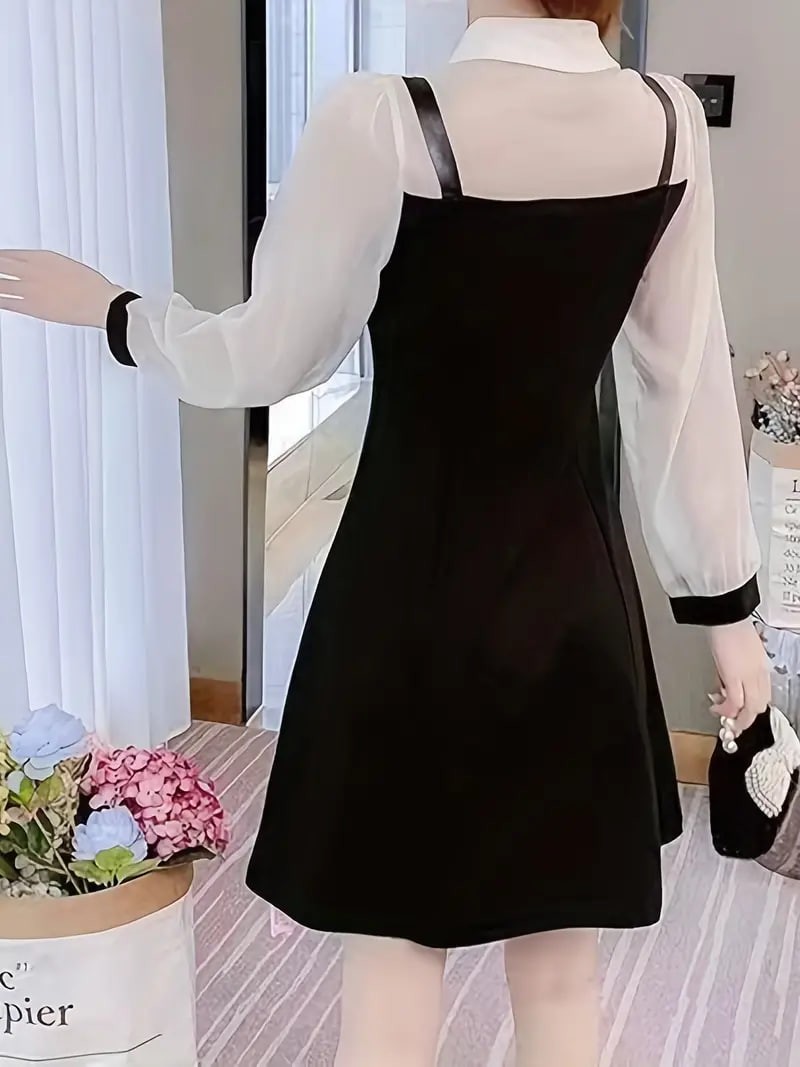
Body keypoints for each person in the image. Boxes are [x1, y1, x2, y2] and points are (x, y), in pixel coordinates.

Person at [0, 2, 771, 1064]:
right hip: (573, 600)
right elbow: (678, 395)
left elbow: (267, 357)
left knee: (396, 957)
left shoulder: (385, 121)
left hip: (407, 599)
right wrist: (728, 618)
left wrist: (119, 312)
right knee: (560, 969)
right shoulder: (668, 121)